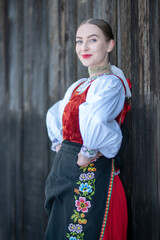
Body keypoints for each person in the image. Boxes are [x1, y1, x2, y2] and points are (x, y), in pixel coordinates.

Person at [44, 18, 131, 240]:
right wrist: (61, 143)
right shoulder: (79, 86)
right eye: (79, 41)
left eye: (93, 40)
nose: (84, 47)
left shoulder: (110, 84)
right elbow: (56, 114)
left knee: (83, 231)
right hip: (66, 172)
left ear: (109, 45)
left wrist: (88, 151)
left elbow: (97, 117)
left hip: (91, 175)